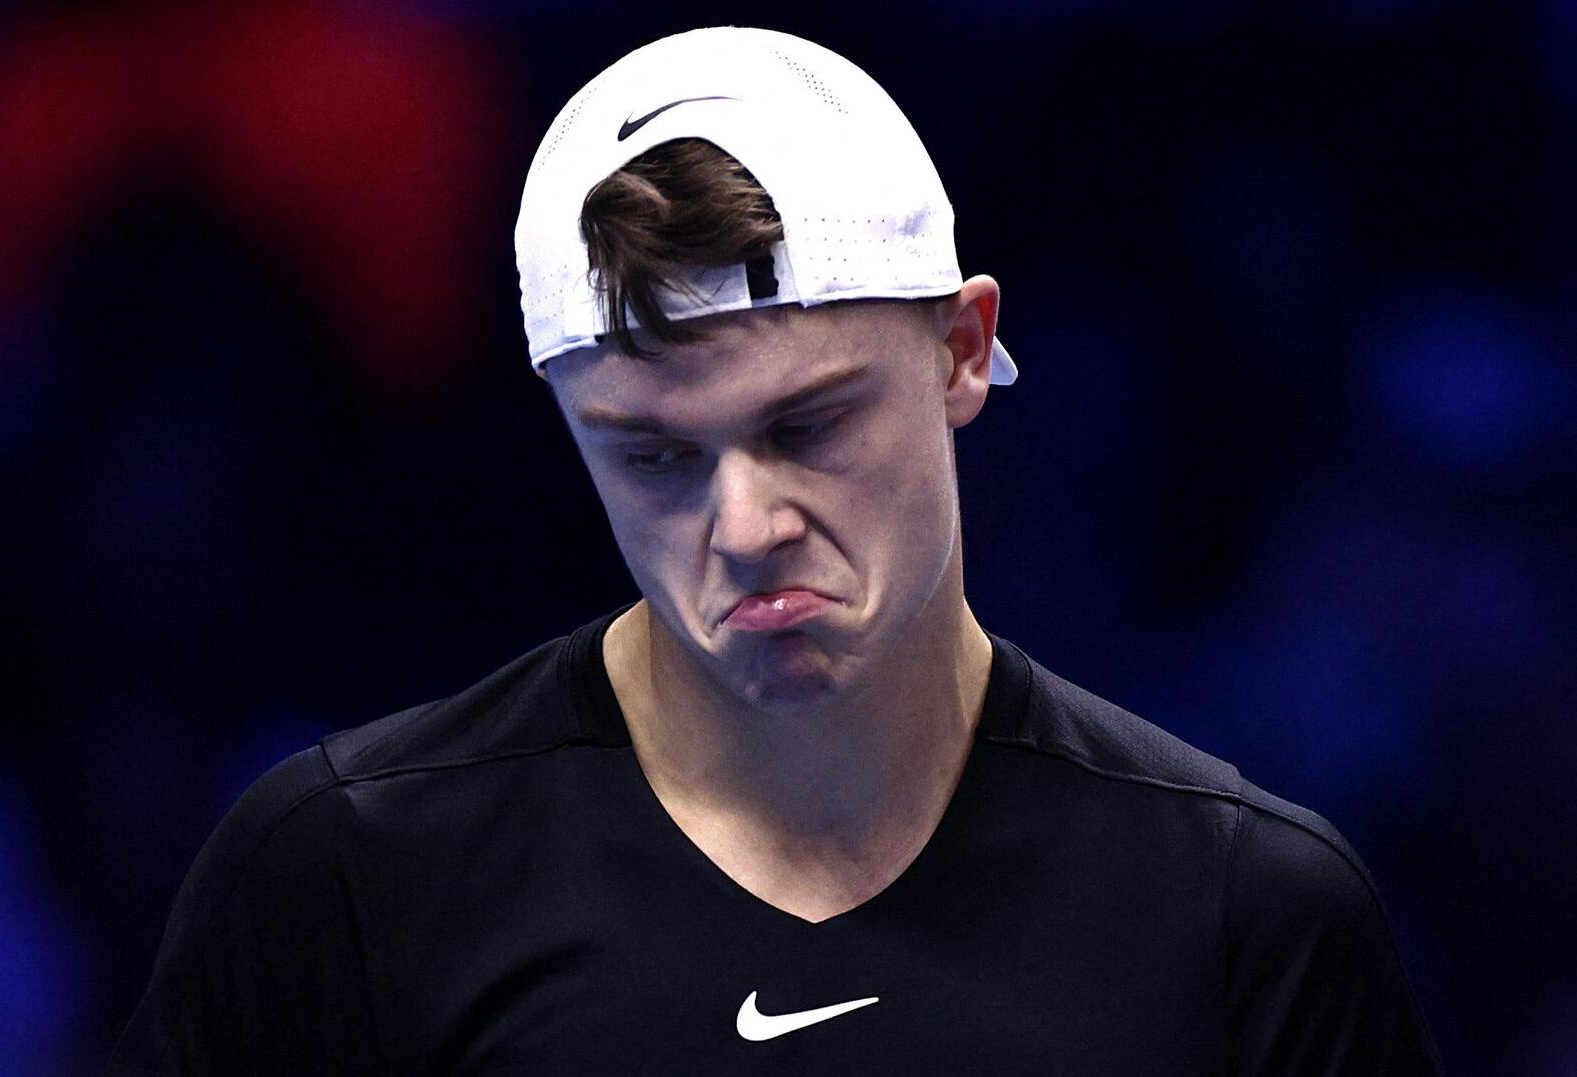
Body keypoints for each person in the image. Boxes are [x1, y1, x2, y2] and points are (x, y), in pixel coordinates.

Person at [110, 26, 1443, 1073]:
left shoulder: (1247, 918)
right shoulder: (344, 880)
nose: (744, 527)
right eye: (653, 451)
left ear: (963, 351)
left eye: (811, 422)